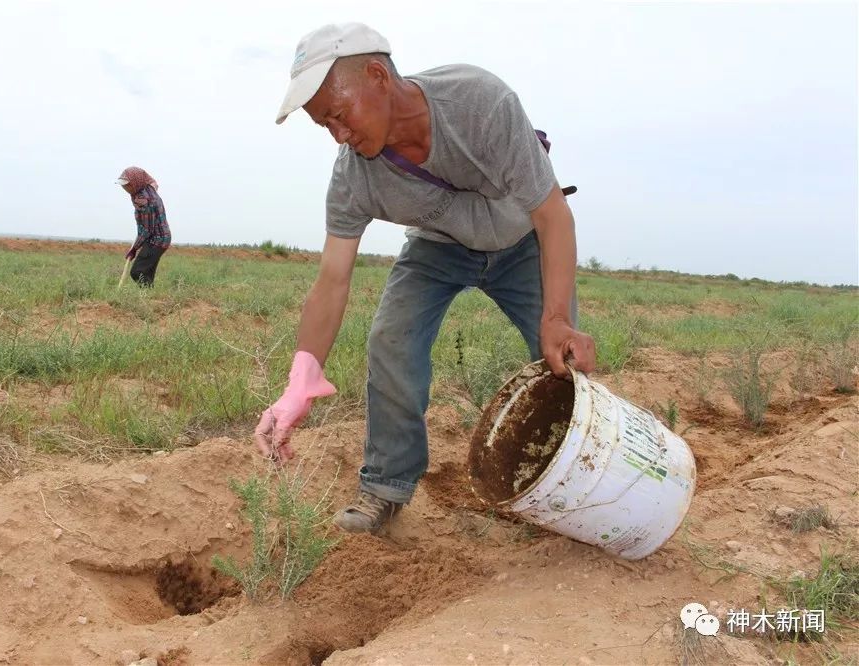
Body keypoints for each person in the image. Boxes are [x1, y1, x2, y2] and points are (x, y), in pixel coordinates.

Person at [254, 23, 597, 534]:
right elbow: (332, 279)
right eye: (325, 126)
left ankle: (572, 485)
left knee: (562, 360)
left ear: (378, 76)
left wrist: (556, 317)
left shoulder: (478, 103)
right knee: (392, 339)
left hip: (523, 239)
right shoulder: (354, 175)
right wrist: (299, 385)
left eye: (339, 115)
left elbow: (552, 215)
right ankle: (386, 488)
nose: (339, 136)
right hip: (439, 247)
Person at [116, 166, 171, 287]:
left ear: (136, 182)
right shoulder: (149, 187)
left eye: (127, 184)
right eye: (123, 185)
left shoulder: (144, 200)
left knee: (137, 272)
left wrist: (134, 249)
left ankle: (147, 297)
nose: (124, 188)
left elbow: (147, 230)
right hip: (160, 238)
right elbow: (152, 181)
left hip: (157, 240)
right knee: (147, 273)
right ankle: (149, 299)